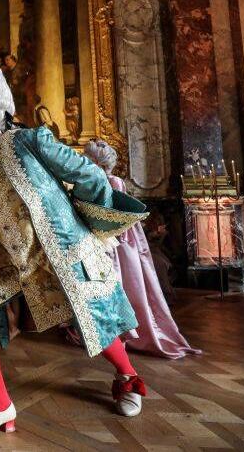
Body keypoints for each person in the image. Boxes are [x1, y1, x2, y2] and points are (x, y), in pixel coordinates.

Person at [0, 61, 149, 443]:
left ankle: (128, 376)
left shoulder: (27, 141)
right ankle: (0, 403)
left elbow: (87, 174)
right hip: (15, 261)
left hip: (58, 252)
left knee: (89, 316)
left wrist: (94, 223)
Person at [84, 140, 201, 360]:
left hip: (120, 241)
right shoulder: (98, 179)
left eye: (88, 159)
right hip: (105, 238)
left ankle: (127, 332)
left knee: (123, 285)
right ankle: (107, 331)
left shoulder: (113, 181)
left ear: (96, 162)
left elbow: (117, 215)